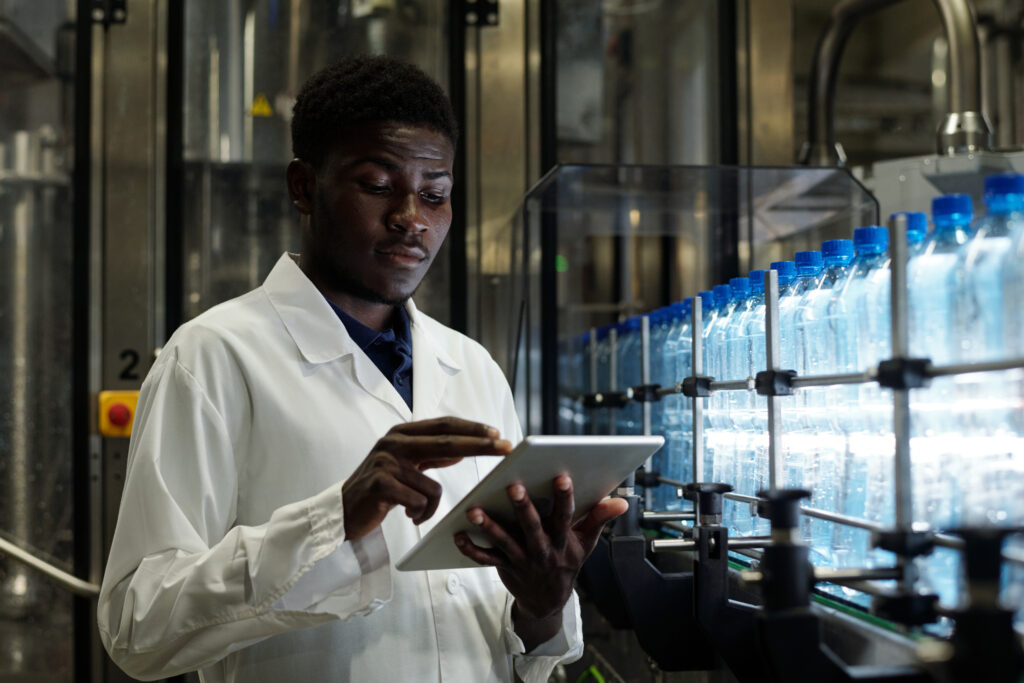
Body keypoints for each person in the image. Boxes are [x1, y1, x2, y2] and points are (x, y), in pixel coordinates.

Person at [97, 55, 626, 682]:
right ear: (303, 186)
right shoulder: (213, 356)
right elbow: (137, 627)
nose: (412, 217)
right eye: (377, 185)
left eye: (436, 194)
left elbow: (515, 647)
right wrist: (335, 520)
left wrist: (542, 603)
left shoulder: (473, 366)